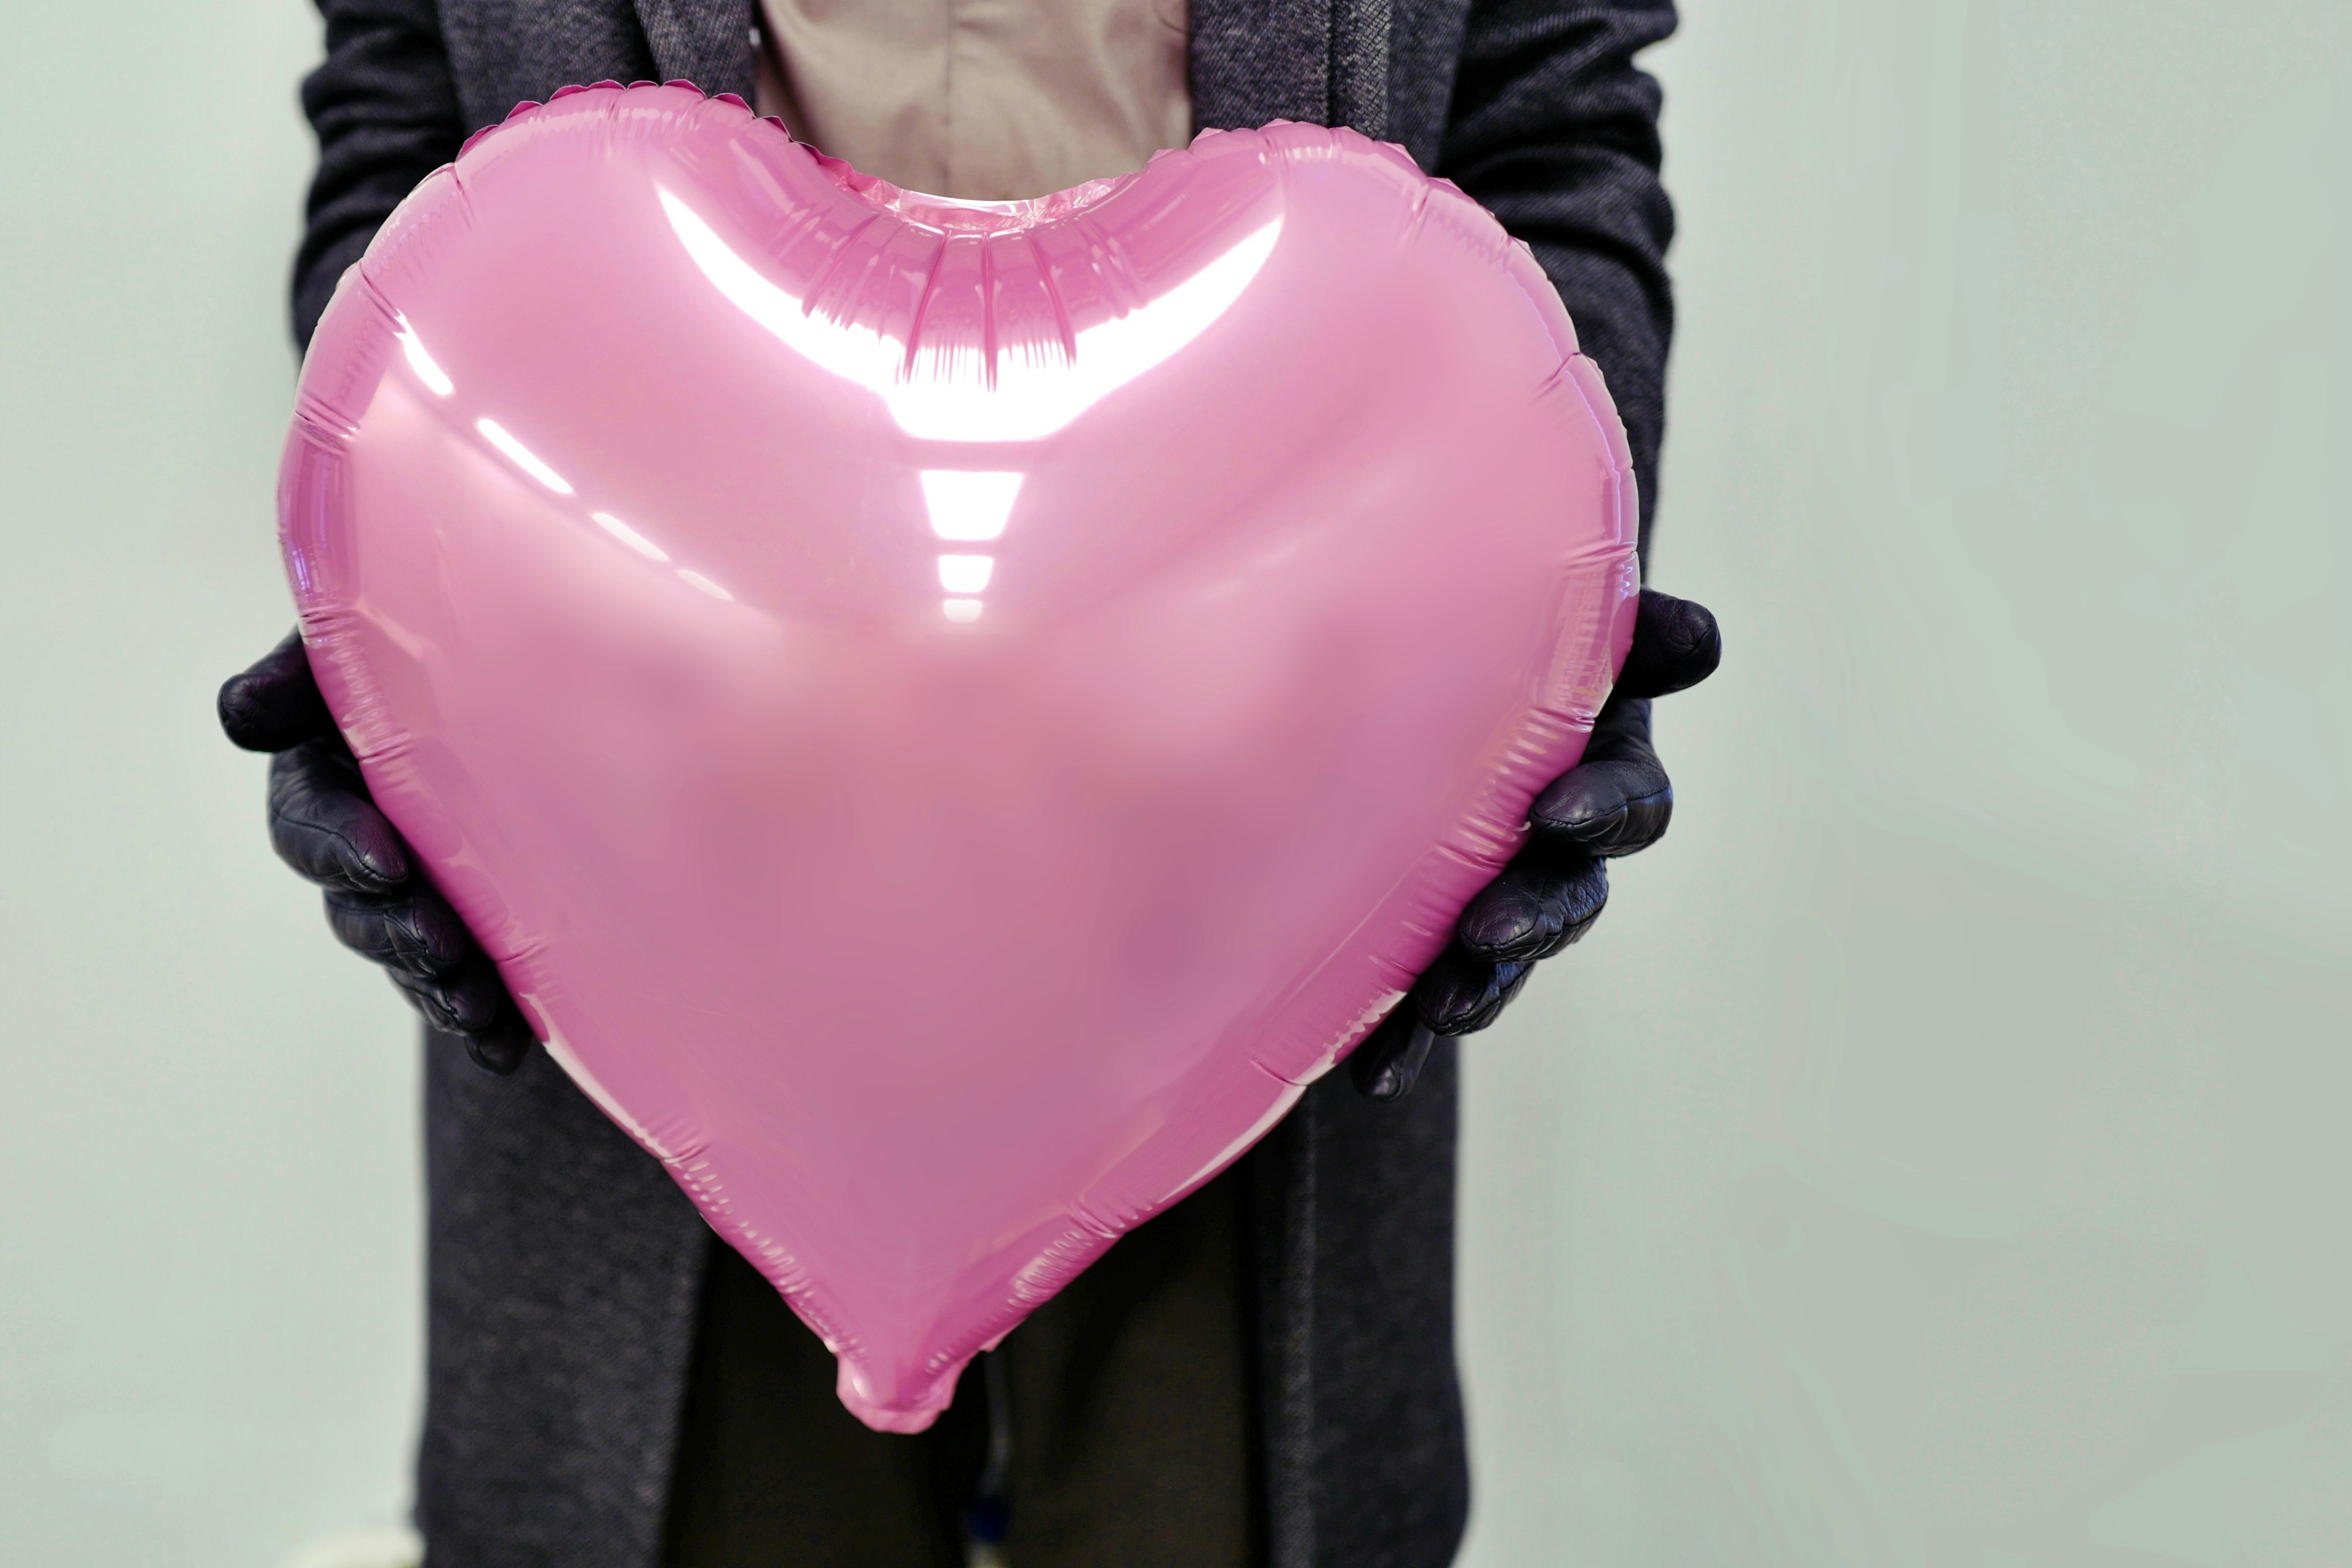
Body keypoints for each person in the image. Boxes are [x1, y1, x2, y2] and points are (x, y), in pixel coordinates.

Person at [218, 1, 1721, 1564]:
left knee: (1203, 1505)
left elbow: (1553, 123)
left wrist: (1540, 582)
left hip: (1254, 798)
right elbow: (402, 109)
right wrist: (412, 589)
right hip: (660, 802)